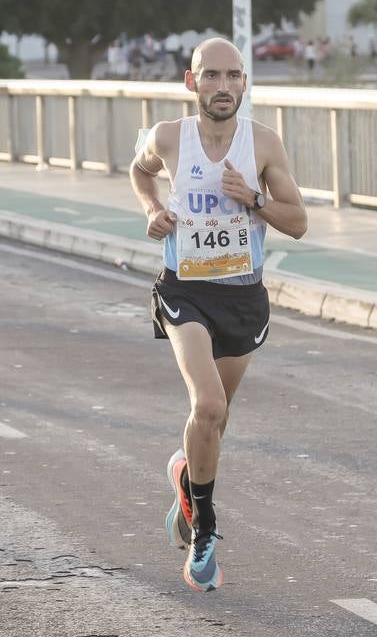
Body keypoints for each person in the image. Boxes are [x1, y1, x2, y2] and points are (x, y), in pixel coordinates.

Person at [129, 37, 307, 592]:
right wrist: (154, 209)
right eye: (212, 76)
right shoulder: (168, 137)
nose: (223, 86)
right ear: (192, 81)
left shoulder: (264, 145)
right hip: (186, 291)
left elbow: (298, 221)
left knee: (215, 422)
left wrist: (253, 199)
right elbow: (139, 171)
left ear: (245, 84)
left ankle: (187, 481)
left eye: (234, 76)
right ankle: (205, 530)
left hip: (242, 297)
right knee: (205, 404)